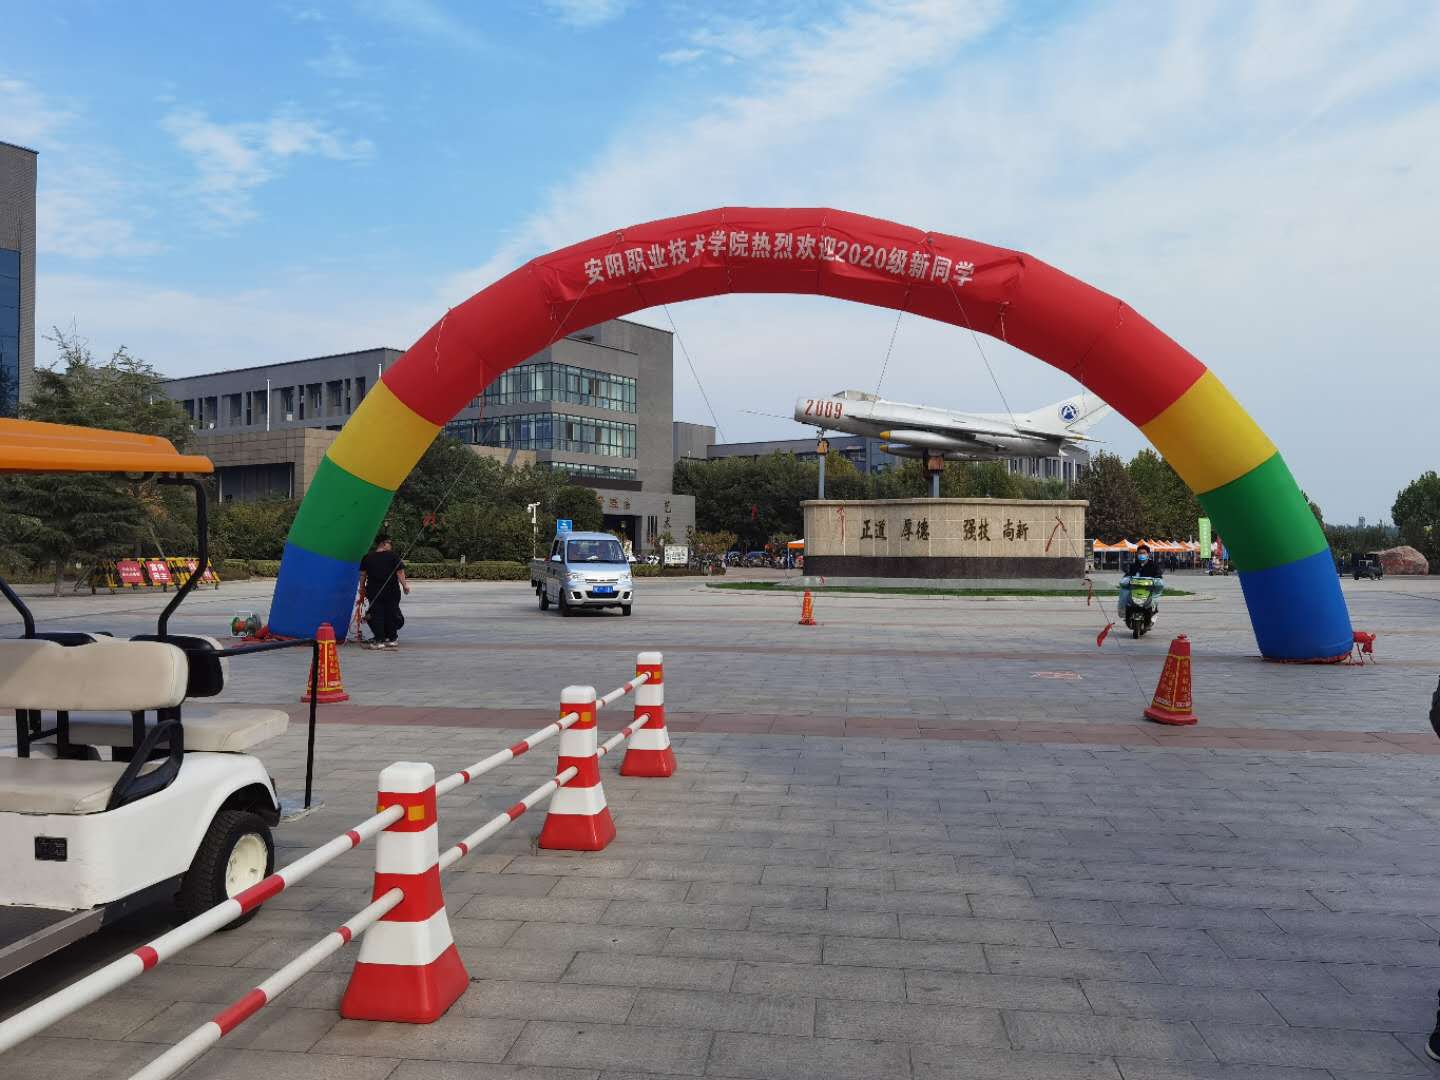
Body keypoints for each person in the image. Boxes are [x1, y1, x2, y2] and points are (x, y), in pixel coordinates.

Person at [358, 535, 410, 649]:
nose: (391, 545)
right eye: (389, 543)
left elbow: (362, 575)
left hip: (374, 591)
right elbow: (400, 572)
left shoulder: (367, 557)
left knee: (377, 615)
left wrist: (362, 588)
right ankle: (392, 639)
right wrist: (405, 586)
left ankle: (379, 640)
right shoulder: (393, 556)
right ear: (383, 543)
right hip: (392, 591)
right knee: (391, 614)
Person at [1117, 542, 1164, 620]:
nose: (1142, 555)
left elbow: (1158, 576)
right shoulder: (1133, 566)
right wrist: (1125, 580)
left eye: (1144, 553)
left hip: (1149, 589)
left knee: (1155, 596)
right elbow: (1127, 575)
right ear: (1136, 554)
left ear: (1148, 554)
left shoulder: (1154, 566)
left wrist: (1157, 580)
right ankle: (1123, 612)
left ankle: (1154, 610)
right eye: (1140, 553)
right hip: (1134, 589)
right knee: (1123, 592)